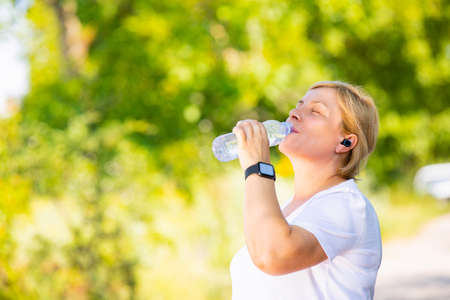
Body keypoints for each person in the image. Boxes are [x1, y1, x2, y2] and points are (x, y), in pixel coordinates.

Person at [229, 81, 382, 299]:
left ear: (346, 142)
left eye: (316, 111)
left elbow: (272, 254)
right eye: (298, 105)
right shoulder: (284, 211)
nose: (294, 113)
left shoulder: (348, 206)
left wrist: (257, 167)